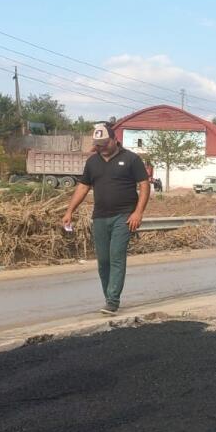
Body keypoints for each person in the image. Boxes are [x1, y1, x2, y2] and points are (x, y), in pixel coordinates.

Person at [62, 123, 151, 315]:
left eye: (104, 143)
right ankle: (108, 297)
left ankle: (112, 300)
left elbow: (144, 185)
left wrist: (138, 212)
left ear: (113, 139)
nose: (100, 147)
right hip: (100, 217)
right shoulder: (92, 162)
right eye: (97, 144)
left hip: (124, 216)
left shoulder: (131, 159)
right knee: (103, 260)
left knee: (116, 256)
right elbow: (83, 187)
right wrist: (70, 211)